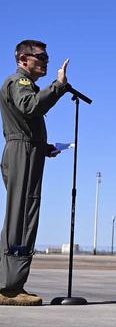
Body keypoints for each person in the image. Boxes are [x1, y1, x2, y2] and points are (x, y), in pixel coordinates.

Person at [0, 40, 69, 306]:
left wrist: (44, 147)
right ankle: (10, 287)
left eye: (47, 56)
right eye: (40, 56)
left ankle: (11, 281)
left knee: (22, 211)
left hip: (27, 150)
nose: (46, 61)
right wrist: (58, 86)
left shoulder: (22, 84)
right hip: (22, 152)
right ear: (22, 59)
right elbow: (30, 107)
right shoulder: (20, 83)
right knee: (23, 213)